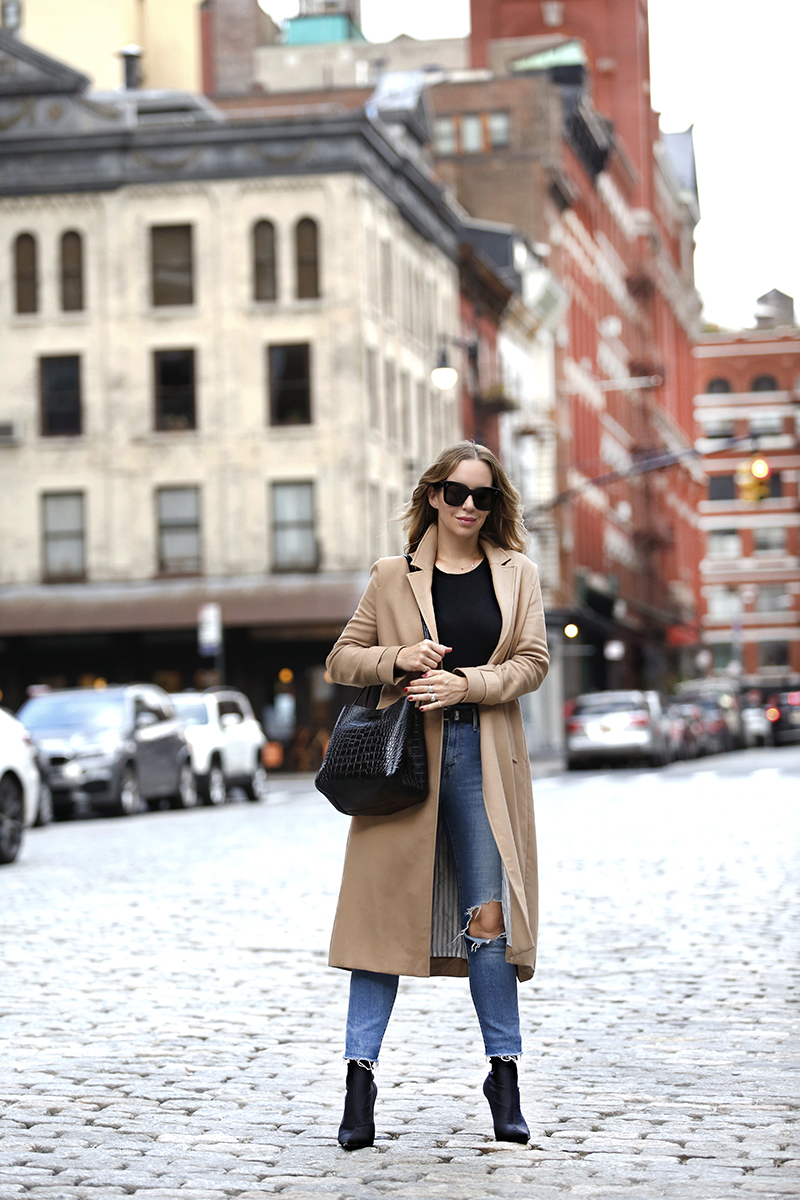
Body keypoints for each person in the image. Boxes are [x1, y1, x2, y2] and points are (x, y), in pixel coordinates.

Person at [326, 440, 549, 1149]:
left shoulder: (518, 575)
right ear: (433, 494)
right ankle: (359, 1086)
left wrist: (467, 683)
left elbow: (533, 662)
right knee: (379, 929)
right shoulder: (393, 576)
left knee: (489, 921)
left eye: (483, 496)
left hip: (482, 761)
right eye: (457, 492)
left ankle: (504, 1076)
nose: (469, 507)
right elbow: (341, 660)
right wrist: (399, 659)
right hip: (403, 766)